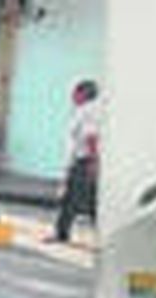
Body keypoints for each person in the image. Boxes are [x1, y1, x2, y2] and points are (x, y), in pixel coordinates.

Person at [51, 79, 100, 244]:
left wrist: (93, 161)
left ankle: (61, 233)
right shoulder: (86, 110)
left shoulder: (88, 111)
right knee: (87, 200)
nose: (72, 96)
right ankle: (62, 233)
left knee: (72, 198)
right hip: (82, 160)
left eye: (75, 93)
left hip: (84, 161)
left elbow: (91, 136)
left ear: (82, 94)